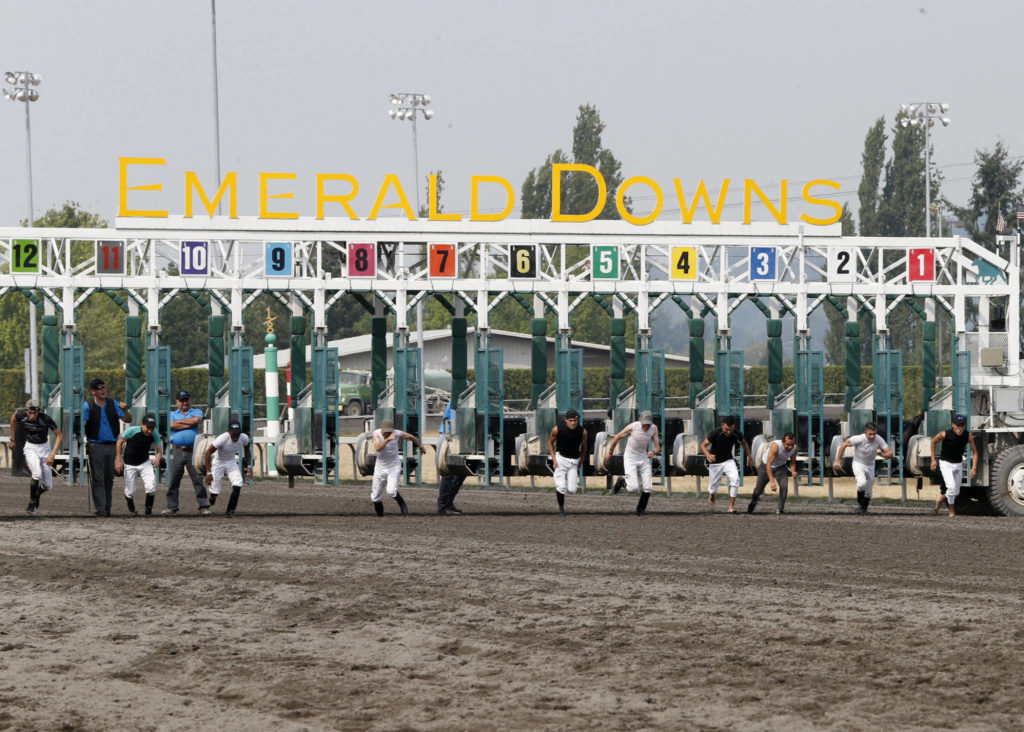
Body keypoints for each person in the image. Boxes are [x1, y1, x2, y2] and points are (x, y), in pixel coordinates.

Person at [83, 378, 132, 517]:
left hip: (112, 446)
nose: (103, 390)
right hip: (95, 445)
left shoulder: (113, 403)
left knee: (108, 479)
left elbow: (128, 419)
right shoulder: (87, 406)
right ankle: (101, 509)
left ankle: (107, 508)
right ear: (93, 391)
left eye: (104, 387)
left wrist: (126, 410)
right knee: (98, 478)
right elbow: (83, 423)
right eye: (99, 388)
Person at [10, 398, 63, 515]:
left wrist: (52, 455)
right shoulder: (22, 416)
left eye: (35, 413)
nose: (32, 416)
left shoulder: (45, 418)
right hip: (31, 448)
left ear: (38, 411)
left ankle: (37, 494)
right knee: (37, 473)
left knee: (48, 485)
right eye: (30, 413)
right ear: (26, 411)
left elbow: (60, 435)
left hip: (44, 448)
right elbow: (13, 418)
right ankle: (32, 501)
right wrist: (12, 440)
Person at [604, 409, 660, 516]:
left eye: (647, 425)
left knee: (648, 487)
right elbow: (617, 437)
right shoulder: (632, 427)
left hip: (643, 458)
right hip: (630, 458)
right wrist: (610, 453)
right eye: (644, 424)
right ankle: (621, 481)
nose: (645, 427)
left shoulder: (654, 429)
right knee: (633, 488)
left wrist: (653, 452)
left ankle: (640, 510)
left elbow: (657, 448)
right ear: (640, 421)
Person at [164, 390, 211, 515]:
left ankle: (203, 506)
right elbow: (171, 425)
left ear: (190, 400)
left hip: (193, 450)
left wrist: (179, 423)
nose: (185, 403)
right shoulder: (171, 413)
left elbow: (196, 419)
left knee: (197, 479)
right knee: (174, 480)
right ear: (177, 402)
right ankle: (171, 507)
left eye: (186, 400)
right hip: (177, 450)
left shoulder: (197, 412)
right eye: (182, 401)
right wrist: (189, 422)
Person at [832, 422, 893, 515]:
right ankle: (860, 505)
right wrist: (837, 460)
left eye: (874, 434)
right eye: (870, 434)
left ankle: (863, 510)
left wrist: (881, 454)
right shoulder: (859, 438)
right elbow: (844, 444)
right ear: (865, 433)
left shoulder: (879, 439)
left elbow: (890, 454)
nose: (872, 436)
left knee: (868, 492)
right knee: (861, 483)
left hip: (870, 466)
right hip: (858, 464)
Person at [700, 415, 755, 513]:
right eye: (726, 429)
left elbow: (744, 443)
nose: (729, 432)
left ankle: (731, 507)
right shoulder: (715, 433)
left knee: (735, 479)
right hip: (715, 462)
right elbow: (703, 445)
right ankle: (712, 495)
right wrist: (708, 455)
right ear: (722, 425)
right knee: (713, 488)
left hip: (728, 460)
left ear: (734, 427)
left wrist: (749, 457)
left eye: (731, 429)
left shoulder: (736, 433)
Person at [371, 418, 423, 517]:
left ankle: (402, 504)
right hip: (380, 467)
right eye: (385, 432)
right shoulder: (376, 434)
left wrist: (420, 446)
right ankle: (380, 515)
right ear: (381, 429)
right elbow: (378, 448)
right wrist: (387, 440)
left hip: (393, 466)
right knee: (375, 496)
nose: (387, 434)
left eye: (389, 432)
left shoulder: (397, 433)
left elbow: (411, 436)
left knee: (391, 491)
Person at [929, 414, 979, 517]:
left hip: (958, 464)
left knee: (956, 492)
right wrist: (933, 460)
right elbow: (933, 441)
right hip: (945, 463)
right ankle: (951, 511)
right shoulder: (944, 434)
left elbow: (975, 452)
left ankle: (940, 499)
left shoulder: (967, 435)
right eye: (958, 425)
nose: (960, 428)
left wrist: (973, 468)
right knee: (951, 488)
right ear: (953, 425)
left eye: (962, 425)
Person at [203, 417, 252, 517]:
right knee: (215, 490)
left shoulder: (244, 438)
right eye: (233, 433)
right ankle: (213, 495)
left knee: (238, 484)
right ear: (228, 431)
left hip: (231, 462)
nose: (236, 436)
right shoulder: (222, 438)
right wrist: (208, 472)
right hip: (218, 462)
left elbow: (247, 450)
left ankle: (230, 511)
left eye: (238, 433)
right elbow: (208, 452)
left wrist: (249, 466)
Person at [116, 413, 163, 517]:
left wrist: (158, 457)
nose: (150, 431)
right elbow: (119, 443)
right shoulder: (132, 431)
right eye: (148, 427)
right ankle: (131, 508)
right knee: (130, 492)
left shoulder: (154, 434)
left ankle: (148, 510)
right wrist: (119, 460)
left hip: (144, 463)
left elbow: (159, 451)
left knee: (151, 486)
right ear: (142, 424)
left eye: (152, 428)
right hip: (129, 464)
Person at [548, 408, 588, 518]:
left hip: (574, 461)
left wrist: (581, 460)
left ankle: (564, 480)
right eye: (570, 420)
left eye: (575, 420)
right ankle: (561, 510)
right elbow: (550, 442)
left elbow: (584, 447)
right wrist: (554, 459)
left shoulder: (582, 431)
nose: (573, 423)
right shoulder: (557, 429)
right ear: (566, 420)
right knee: (561, 487)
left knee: (572, 490)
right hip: (561, 459)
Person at [748, 432, 799, 514]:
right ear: (783, 442)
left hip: (781, 467)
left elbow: (792, 462)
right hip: (766, 467)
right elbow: (769, 464)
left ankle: (780, 509)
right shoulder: (776, 446)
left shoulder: (795, 448)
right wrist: (772, 482)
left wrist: (793, 471)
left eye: (792, 444)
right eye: (788, 445)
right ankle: (753, 501)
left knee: (784, 487)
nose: (790, 447)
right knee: (758, 490)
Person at [437, 400, 466, 515]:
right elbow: (456, 423)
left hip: (456, 438)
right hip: (449, 438)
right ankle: (443, 506)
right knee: (449, 473)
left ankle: (449, 503)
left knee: (461, 472)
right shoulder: (455, 403)